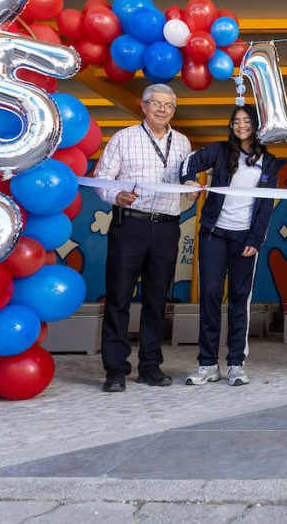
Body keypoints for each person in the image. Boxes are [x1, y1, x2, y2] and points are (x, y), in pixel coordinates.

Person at [92, 84, 191, 392]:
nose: (162, 109)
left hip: (166, 228)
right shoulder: (124, 138)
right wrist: (114, 195)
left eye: (168, 105)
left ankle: (150, 366)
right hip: (130, 226)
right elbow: (101, 179)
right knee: (119, 297)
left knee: (156, 300)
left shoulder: (183, 143)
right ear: (144, 106)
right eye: (156, 104)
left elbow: (186, 181)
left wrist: (192, 191)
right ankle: (116, 370)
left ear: (173, 110)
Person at [180, 105, 279, 387]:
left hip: (244, 239)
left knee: (239, 299)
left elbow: (266, 207)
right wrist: (187, 180)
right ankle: (207, 364)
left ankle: (236, 363)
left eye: (247, 121)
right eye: (236, 121)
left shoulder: (269, 162)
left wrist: (255, 240)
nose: (241, 126)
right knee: (210, 294)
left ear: (257, 125)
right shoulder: (220, 151)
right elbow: (189, 164)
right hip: (214, 233)